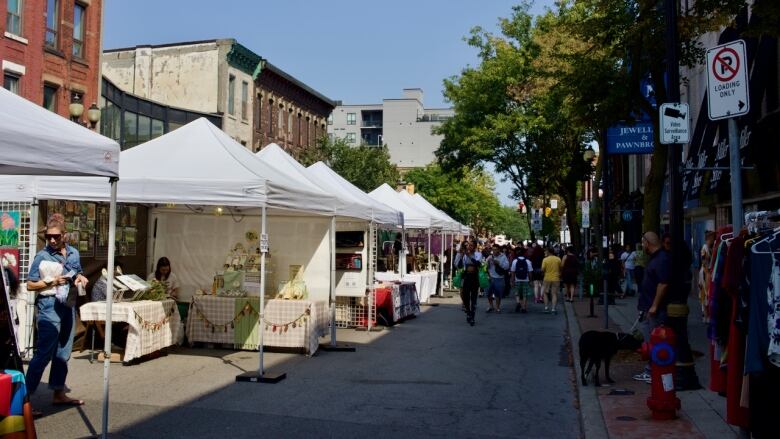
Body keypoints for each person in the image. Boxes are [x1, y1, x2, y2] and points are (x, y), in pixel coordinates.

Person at [25, 213, 88, 410]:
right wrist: (50, 281)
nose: (52, 240)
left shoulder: (74, 253)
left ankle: (58, 393)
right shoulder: (41, 256)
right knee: (44, 353)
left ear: (64, 235)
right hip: (49, 306)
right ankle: (24, 401)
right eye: (49, 237)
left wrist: (80, 278)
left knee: (63, 353)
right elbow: (29, 285)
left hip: (67, 305)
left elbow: (77, 271)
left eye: (56, 236)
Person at [633, 231, 671, 383]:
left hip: (653, 308)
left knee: (653, 340)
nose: (642, 246)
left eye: (643, 243)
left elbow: (663, 283)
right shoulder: (656, 259)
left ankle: (652, 370)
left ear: (647, 243)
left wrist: (654, 306)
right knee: (650, 339)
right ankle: (652, 369)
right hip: (648, 305)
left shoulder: (661, 259)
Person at [454, 241, 483, 326]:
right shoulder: (464, 255)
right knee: (465, 297)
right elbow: (459, 266)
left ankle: (472, 317)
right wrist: (461, 255)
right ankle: (468, 312)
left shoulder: (478, 254)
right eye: (468, 246)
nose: (469, 247)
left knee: (473, 298)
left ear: (474, 247)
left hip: (475, 278)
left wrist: (469, 256)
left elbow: (478, 264)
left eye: (471, 245)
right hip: (466, 277)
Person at [485, 244, 510, 313]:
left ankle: (497, 307)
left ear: (499, 249)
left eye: (495, 249)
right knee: (488, 293)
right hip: (490, 277)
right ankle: (491, 306)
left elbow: (507, 266)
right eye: (493, 249)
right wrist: (487, 263)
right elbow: (484, 267)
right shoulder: (490, 257)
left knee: (498, 294)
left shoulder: (503, 256)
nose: (494, 251)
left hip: (499, 278)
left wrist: (498, 263)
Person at [511, 247, 533, 313]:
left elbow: (513, 272)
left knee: (517, 293)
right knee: (524, 294)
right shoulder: (528, 261)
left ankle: (518, 302)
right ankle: (524, 308)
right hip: (525, 279)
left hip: (517, 279)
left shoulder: (515, 261)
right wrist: (530, 280)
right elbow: (530, 272)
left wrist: (512, 281)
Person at [541, 247, 562, 314]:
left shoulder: (545, 260)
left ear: (548, 252)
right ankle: (553, 309)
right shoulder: (558, 259)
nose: (545, 252)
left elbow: (542, 269)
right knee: (554, 294)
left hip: (547, 278)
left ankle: (546, 308)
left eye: (546, 251)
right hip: (556, 278)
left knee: (545, 293)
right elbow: (560, 268)